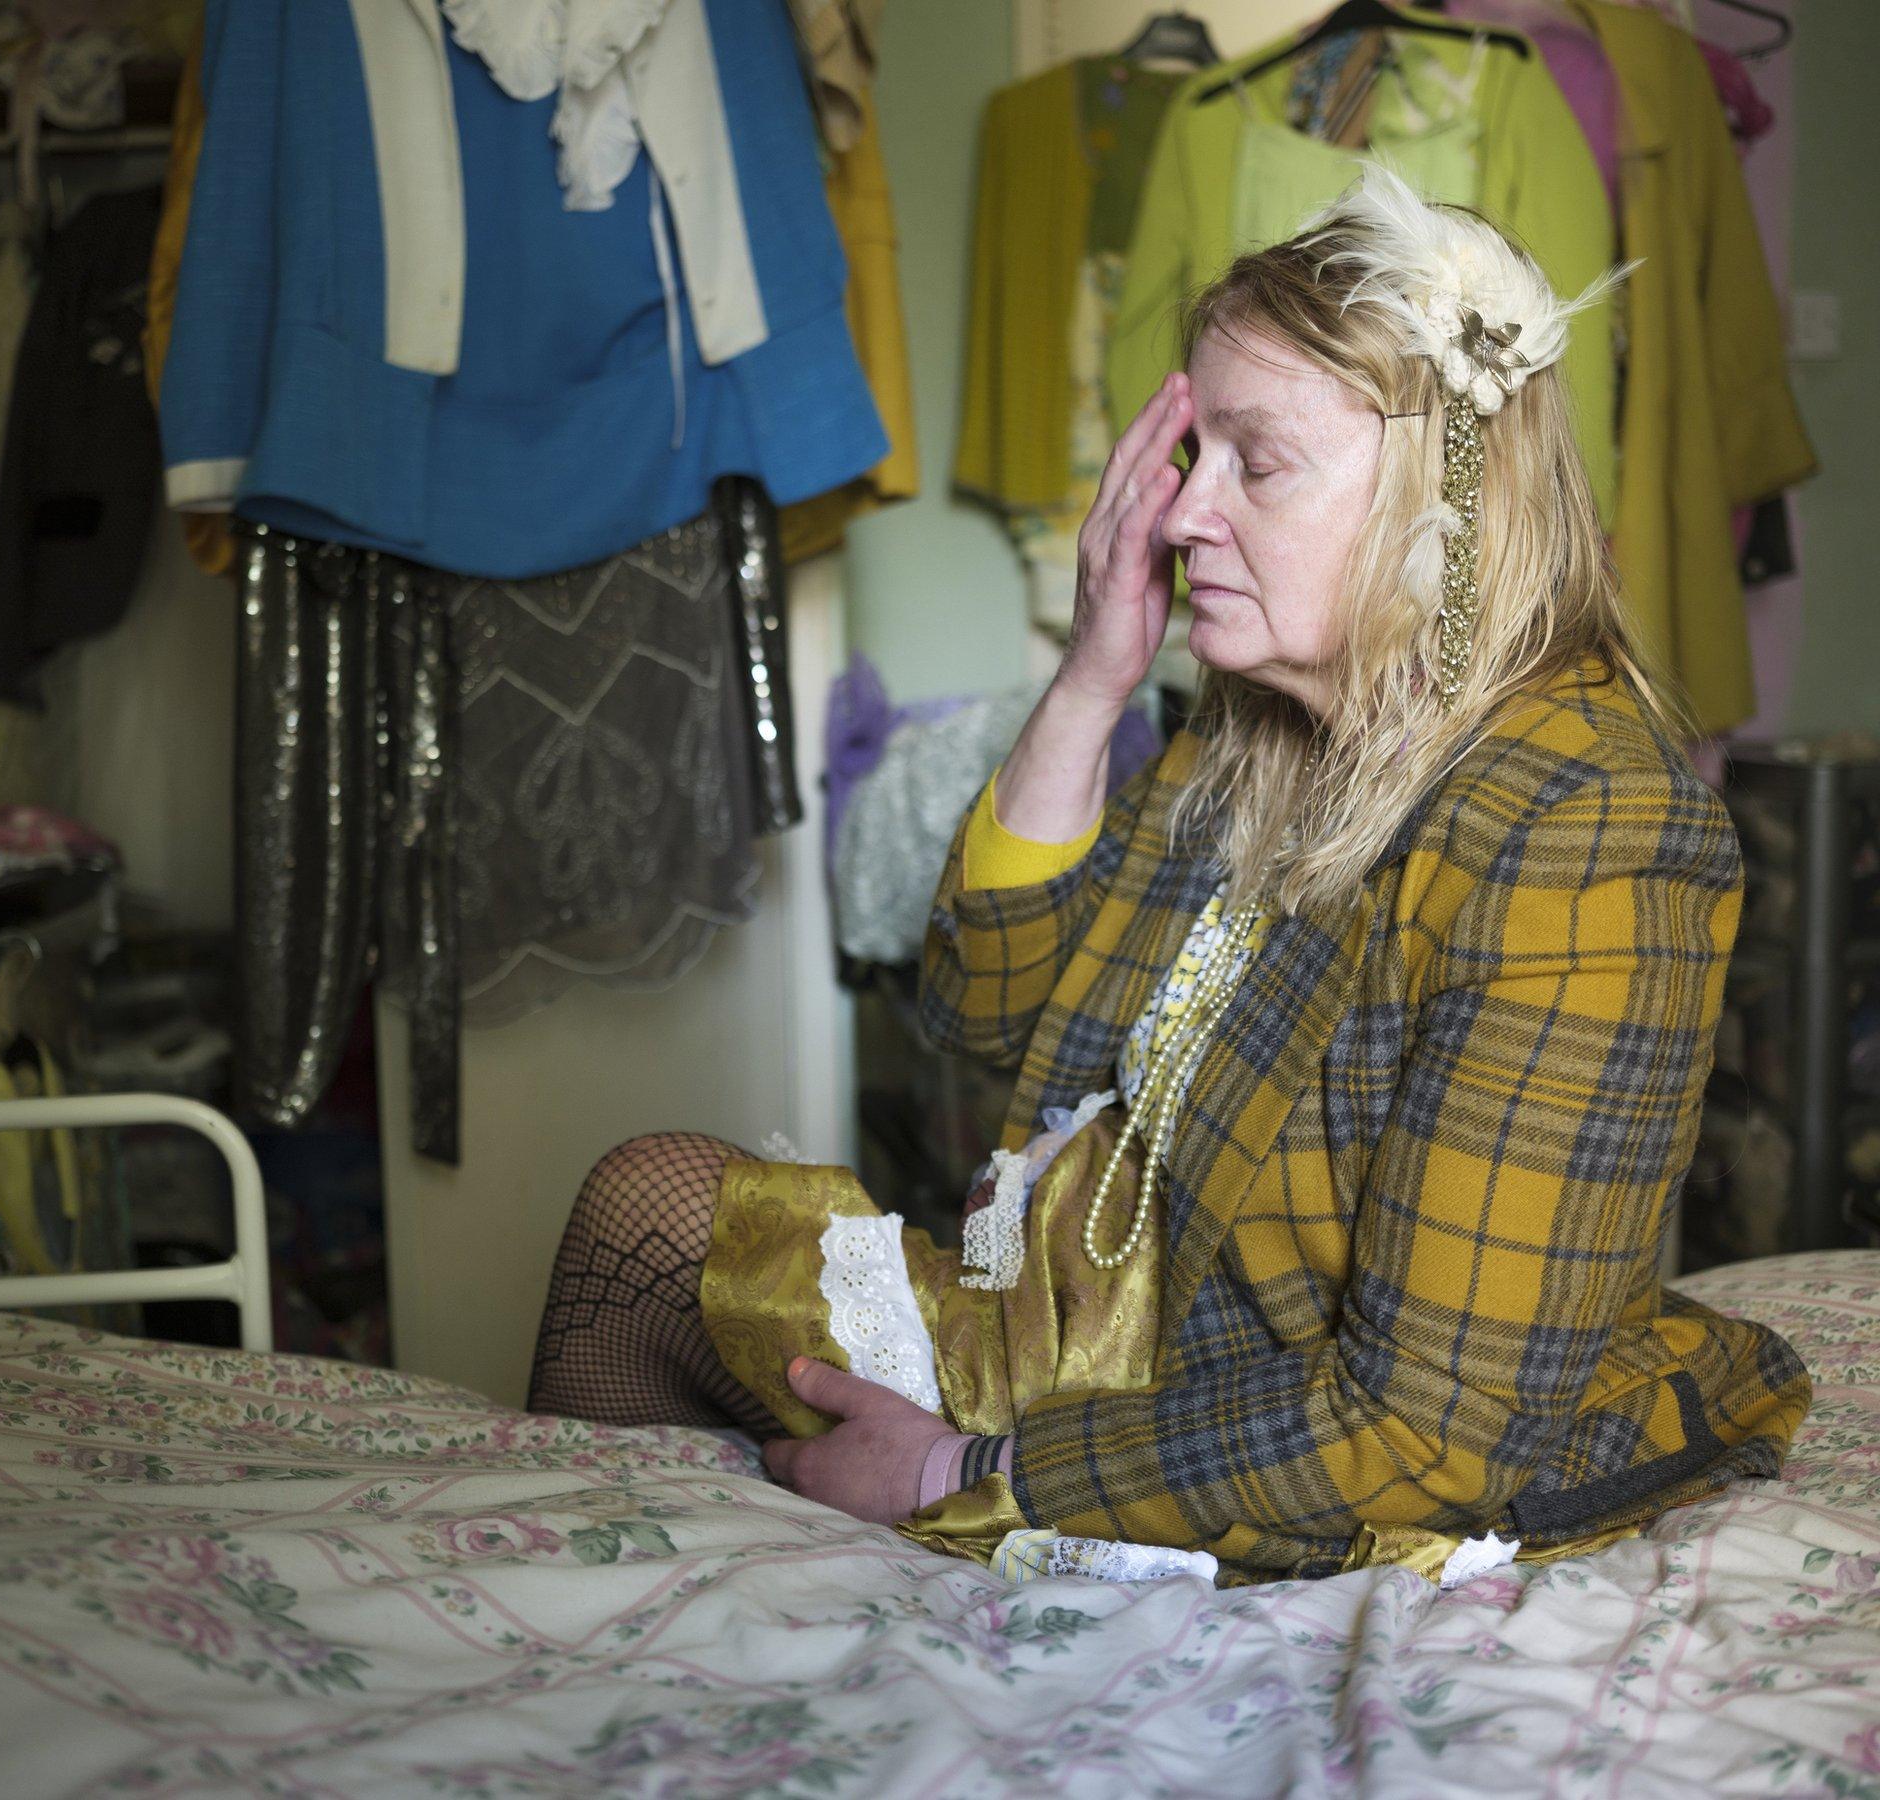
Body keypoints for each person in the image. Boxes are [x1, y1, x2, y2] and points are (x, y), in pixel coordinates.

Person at [526, 167, 1809, 1587]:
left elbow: (1425, 1433)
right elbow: (980, 1008)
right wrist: (1094, 673)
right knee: (639, 1201)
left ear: (1451, 487)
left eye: (1256, 464)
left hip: (1248, 1429)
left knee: (652, 1225)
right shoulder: (1259, 729)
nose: (1187, 518)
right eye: (1192, 462)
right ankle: (593, 1631)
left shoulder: (1593, 835)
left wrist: (957, 1474)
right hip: (1091, 1316)